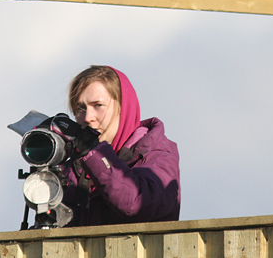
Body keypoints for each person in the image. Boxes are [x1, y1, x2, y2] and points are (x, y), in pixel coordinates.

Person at [50, 65, 180, 226]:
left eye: (98, 105)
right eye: (80, 108)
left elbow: (135, 205)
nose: (88, 117)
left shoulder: (156, 154)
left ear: (123, 107)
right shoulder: (72, 167)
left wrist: (95, 154)